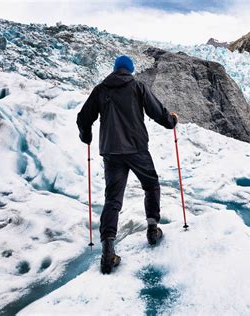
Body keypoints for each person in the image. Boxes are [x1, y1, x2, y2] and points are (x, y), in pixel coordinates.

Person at [76, 55, 178, 274]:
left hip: (111, 152)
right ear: (130, 70)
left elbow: (83, 118)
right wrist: (171, 121)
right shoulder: (137, 86)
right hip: (137, 149)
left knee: (113, 199)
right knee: (151, 185)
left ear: (115, 70)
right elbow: (156, 111)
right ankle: (152, 228)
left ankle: (107, 253)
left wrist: (86, 135)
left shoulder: (101, 89)